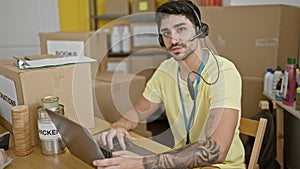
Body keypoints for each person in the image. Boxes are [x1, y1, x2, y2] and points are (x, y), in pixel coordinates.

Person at [93, 0, 245, 168]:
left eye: (181, 29)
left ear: (200, 30)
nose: (173, 40)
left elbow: (217, 150)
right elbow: (137, 111)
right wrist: (119, 127)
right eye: (166, 33)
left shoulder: (224, 72)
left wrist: (141, 163)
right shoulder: (166, 70)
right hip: (181, 162)